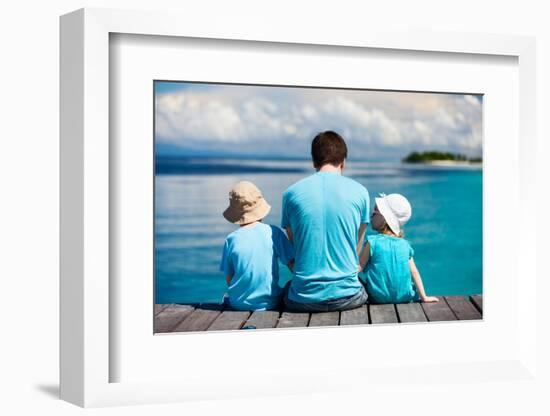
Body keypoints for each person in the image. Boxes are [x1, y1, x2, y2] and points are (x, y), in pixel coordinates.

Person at [281, 131, 369, 312]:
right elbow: (356, 247)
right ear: (343, 162)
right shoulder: (361, 192)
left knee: (286, 288)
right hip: (349, 296)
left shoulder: (290, 194)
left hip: (303, 298)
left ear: (314, 161)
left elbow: (294, 245)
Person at [220, 181, 295, 311]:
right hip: (270, 303)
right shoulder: (274, 233)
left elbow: (229, 279)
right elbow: (293, 267)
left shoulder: (231, 239)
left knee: (228, 295)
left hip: (238, 303)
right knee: (289, 285)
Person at [359, 193, 439, 304]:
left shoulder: (372, 242)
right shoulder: (405, 245)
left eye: (376, 210)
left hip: (377, 298)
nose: (372, 213)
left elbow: (358, 268)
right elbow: (414, 272)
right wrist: (424, 297)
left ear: (385, 217)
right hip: (404, 297)